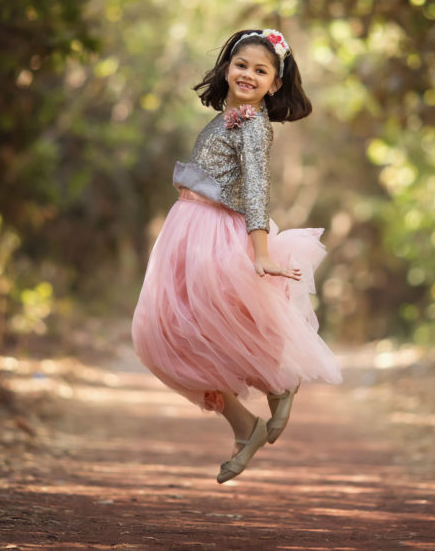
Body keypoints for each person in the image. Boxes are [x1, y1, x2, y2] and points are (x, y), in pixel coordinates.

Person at [132, 28, 342, 484]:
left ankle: (279, 383)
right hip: (185, 229)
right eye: (241, 64)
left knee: (203, 326)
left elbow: (256, 189)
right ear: (227, 66)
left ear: (275, 84)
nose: (248, 74)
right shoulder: (229, 115)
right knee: (164, 331)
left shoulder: (251, 124)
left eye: (260, 70)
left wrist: (261, 252)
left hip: (215, 231)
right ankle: (245, 425)